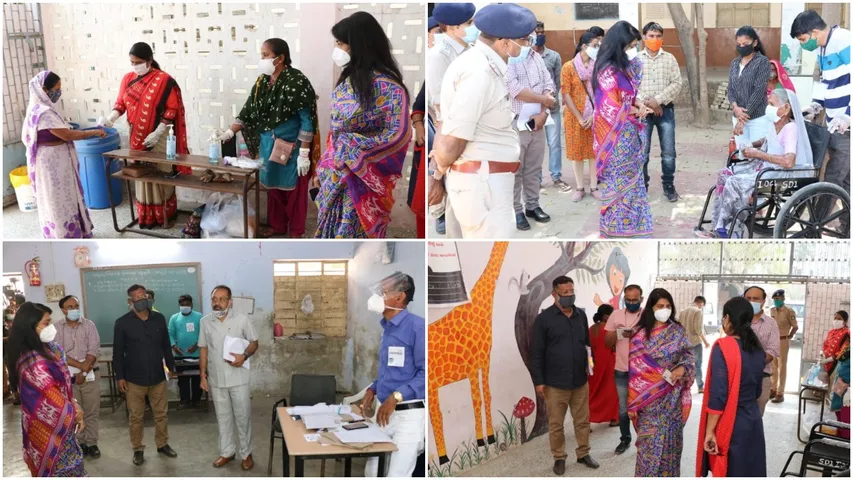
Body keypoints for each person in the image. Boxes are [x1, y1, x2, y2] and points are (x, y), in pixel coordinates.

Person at [432, 4, 535, 238]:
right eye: (524, 40)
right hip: (482, 186)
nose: (528, 46)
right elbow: (451, 142)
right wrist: (437, 173)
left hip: (486, 182)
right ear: (505, 43)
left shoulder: (486, 64)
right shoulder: (479, 72)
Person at [315, 11, 411, 239]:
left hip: (363, 180)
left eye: (340, 43)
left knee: (353, 238)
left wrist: (354, 150)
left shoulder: (390, 89)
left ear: (358, 45)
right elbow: (336, 129)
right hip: (335, 173)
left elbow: (397, 135)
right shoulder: (348, 80)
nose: (336, 49)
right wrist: (324, 163)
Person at [219, 38, 318, 238]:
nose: (262, 59)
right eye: (261, 55)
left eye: (265, 55)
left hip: (293, 148)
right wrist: (231, 131)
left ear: (280, 58)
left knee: (294, 192)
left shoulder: (297, 82)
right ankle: (278, 226)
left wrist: (304, 153)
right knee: (273, 188)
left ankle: (296, 231)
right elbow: (248, 110)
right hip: (268, 145)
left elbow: (308, 120)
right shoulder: (262, 82)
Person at [698, 88, 813, 238]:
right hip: (766, 168)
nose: (768, 108)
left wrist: (759, 154)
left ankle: (730, 228)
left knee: (734, 182)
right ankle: (718, 222)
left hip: (778, 174)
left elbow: (788, 161)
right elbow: (768, 140)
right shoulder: (775, 123)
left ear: (786, 108)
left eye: (772, 104)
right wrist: (752, 145)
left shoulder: (790, 129)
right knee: (724, 174)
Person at [102, 42, 190, 229]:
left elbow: (172, 109)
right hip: (137, 137)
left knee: (162, 175)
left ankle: (166, 216)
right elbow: (121, 104)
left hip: (160, 137)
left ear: (149, 60)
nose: (135, 66)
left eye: (139, 62)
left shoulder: (165, 80)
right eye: (132, 62)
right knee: (142, 176)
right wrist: (110, 119)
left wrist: (158, 132)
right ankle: (147, 217)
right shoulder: (127, 79)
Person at [6, 302, 86, 476]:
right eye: (46, 323)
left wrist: (74, 403)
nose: (51, 327)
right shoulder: (31, 360)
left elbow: (62, 386)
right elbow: (50, 396)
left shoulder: (51, 349)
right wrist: (75, 412)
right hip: (45, 427)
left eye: (50, 322)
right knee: (58, 469)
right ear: (30, 327)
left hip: (64, 422)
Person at [531, 276, 600, 474]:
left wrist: (590, 364)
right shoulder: (544, 320)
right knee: (556, 424)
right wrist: (539, 382)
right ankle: (559, 457)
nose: (570, 295)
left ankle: (583, 454)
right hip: (555, 384)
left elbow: (587, 344)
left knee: (582, 421)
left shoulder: (581, 315)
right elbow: (536, 353)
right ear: (554, 294)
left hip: (580, 380)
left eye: (572, 292)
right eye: (565, 293)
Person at [359, 273, 426, 477]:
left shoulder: (418, 328)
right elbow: (393, 371)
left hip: (407, 415)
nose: (378, 296)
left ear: (400, 297)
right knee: (372, 471)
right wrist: (373, 388)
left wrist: (396, 397)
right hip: (384, 413)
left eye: (383, 292)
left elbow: (426, 373)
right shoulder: (387, 328)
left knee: (397, 474)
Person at [592, 21, 654, 239]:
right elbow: (610, 108)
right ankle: (615, 228)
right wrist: (633, 112)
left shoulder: (624, 69)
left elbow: (629, 98)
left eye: (635, 46)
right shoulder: (606, 72)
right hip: (615, 140)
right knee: (618, 182)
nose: (632, 51)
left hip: (630, 135)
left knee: (635, 182)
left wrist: (639, 105)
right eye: (630, 46)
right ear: (619, 45)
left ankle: (636, 226)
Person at [22, 71, 102, 239]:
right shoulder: (43, 112)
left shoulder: (37, 109)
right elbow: (66, 135)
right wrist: (93, 132)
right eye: (56, 89)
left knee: (64, 197)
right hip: (52, 164)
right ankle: (63, 234)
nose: (59, 92)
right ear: (44, 89)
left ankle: (71, 230)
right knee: (58, 200)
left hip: (55, 162)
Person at [627, 288, 694, 477]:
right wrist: (656, 378)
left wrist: (682, 369)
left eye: (668, 306)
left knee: (671, 448)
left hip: (672, 402)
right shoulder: (639, 335)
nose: (664, 309)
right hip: (648, 404)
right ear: (651, 308)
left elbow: (689, 358)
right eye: (660, 306)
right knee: (648, 449)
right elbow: (635, 368)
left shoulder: (678, 331)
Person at [697, 297, 767, 477]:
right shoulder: (758, 349)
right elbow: (757, 390)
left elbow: (718, 396)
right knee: (750, 470)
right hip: (753, 420)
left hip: (732, 423)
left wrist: (710, 430)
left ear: (727, 318)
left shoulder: (724, 346)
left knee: (730, 470)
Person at [791, 10, 850, 220]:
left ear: (815, 32)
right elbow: (827, 83)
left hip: (846, 126)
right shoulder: (822, 50)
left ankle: (816, 224)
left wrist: (848, 115)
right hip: (834, 122)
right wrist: (815, 106)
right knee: (845, 179)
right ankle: (847, 226)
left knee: (833, 177)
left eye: (803, 39)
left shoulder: (843, 40)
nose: (803, 44)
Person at [113, 284, 178, 465]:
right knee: (136, 417)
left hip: (158, 377)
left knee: (161, 414)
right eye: (138, 297)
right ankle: (138, 449)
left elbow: (166, 345)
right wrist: (120, 377)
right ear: (130, 301)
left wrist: (170, 367)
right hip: (134, 380)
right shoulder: (122, 323)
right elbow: (118, 353)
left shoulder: (159, 318)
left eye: (145, 296)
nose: (143, 300)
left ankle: (162, 444)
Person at [199, 286, 259, 470]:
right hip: (217, 380)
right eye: (214, 299)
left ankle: (246, 454)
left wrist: (245, 356)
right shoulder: (205, 322)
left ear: (230, 301)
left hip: (238, 378)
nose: (217, 303)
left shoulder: (241, 319)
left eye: (222, 299)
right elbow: (203, 348)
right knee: (222, 417)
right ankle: (227, 452)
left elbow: (254, 342)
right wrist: (203, 375)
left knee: (242, 417)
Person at [507, 30, 555, 231]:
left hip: (538, 122)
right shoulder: (507, 60)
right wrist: (544, 100)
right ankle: (516, 210)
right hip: (516, 123)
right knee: (516, 170)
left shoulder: (536, 56)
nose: (528, 42)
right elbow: (515, 90)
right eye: (523, 39)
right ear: (511, 40)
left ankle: (532, 206)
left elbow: (549, 84)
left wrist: (543, 113)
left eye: (529, 38)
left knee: (534, 169)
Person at [637, 22, 683, 202]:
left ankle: (669, 185)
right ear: (644, 37)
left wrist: (658, 100)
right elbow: (632, 86)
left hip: (666, 111)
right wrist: (648, 102)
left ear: (662, 38)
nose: (654, 39)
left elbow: (677, 83)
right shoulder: (636, 60)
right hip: (642, 112)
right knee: (643, 151)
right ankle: (643, 185)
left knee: (669, 151)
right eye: (651, 36)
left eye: (658, 36)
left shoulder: (669, 59)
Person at [55, 295, 102, 458]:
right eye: (70, 307)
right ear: (63, 310)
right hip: (67, 379)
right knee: (75, 413)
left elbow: (94, 350)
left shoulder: (89, 325)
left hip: (90, 376)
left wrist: (83, 372)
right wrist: (80, 367)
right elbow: (58, 353)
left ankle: (92, 443)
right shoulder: (56, 328)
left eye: (76, 306)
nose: (74, 309)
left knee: (92, 411)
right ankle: (80, 443)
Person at [604, 284, 644, 454]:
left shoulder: (647, 316)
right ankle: (625, 439)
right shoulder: (616, 314)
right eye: (628, 300)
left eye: (635, 300)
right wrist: (619, 333)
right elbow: (607, 342)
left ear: (641, 299)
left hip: (643, 371)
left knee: (643, 407)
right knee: (623, 408)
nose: (631, 302)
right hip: (621, 370)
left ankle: (644, 440)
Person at [561, 32, 600, 200]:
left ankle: (594, 186)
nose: (597, 49)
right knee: (577, 153)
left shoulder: (598, 66)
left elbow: (602, 92)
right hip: (573, 117)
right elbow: (566, 93)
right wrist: (579, 117)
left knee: (593, 153)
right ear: (584, 46)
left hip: (594, 115)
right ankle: (579, 187)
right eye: (595, 45)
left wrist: (595, 114)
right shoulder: (569, 67)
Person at [427, 3, 477, 123]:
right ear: (452, 28)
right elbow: (439, 100)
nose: (475, 26)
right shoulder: (439, 55)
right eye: (469, 23)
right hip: (455, 124)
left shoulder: (472, 49)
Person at [533, 21, 565, 193]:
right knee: (536, 145)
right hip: (533, 111)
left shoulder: (553, 56)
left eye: (542, 32)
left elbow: (558, 83)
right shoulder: (524, 57)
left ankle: (556, 176)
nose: (539, 35)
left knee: (554, 143)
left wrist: (549, 100)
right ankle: (536, 179)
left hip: (552, 109)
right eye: (536, 32)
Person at [727, 27, 771, 144]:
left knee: (757, 154)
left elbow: (759, 91)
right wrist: (735, 107)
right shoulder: (735, 63)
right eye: (739, 44)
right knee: (742, 154)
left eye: (745, 44)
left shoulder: (762, 62)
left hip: (757, 118)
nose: (742, 47)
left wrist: (742, 119)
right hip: (737, 116)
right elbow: (730, 88)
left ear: (755, 43)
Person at [743, 286, 781, 416]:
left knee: (756, 416)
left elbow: (773, 350)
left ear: (763, 301)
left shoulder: (771, 323)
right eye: (748, 298)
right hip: (738, 376)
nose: (751, 301)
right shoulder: (737, 321)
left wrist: (753, 365)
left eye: (756, 299)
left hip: (761, 375)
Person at [169, 294, 203, 409]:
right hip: (180, 355)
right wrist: (174, 346)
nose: (185, 306)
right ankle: (184, 401)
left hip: (197, 354)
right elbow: (170, 334)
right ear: (179, 306)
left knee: (197, 379)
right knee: (182, 380)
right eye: (182, 305)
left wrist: (196, 345)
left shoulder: (199, 317)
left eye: (187, 304)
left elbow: (203, 334)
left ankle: (197, 400)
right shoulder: (174, 318)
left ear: (192, 305)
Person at [589, 304, 618, 427]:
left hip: (593, 365)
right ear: (607, 317)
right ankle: (614, 418)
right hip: (609, 364)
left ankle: (586, 419)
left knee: (592, 393)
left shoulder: (591, 328)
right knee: (611, 393)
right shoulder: (609, 330)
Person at [770, 289, 798, 402]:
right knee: (773, 366)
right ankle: (773, 389)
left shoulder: (789, 311)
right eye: (774, 299)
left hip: (783, 340)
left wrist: (789, 336)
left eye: (778, 299)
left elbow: (795, 326)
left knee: (782, 367)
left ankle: (780, 393)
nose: (776, 301)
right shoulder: (772, 310)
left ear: (783, 298)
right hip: (773, 340)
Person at [679, 296, 709, 394]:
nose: (701, 307)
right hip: (695, 343)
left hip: (684, 343)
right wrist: (705, 342)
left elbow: (678, 327)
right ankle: (700, 387)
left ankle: (683, 387)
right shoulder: (698, 311)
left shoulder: (683, 312)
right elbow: (698, 330)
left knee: (684, 365)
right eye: (702, 305)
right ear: (700, 303)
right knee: (697, 365)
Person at [828, 337, 850, 439]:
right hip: (841, 385)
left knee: (846, 421)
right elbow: (841, 360)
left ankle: (844, 443)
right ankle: (839, 439)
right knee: (840, 415)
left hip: (848, 389)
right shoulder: (848, 346)